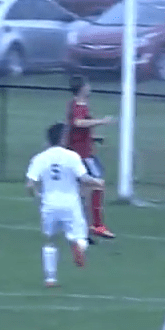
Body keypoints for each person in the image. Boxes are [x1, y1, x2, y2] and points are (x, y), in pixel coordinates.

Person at [26, 122, 104, 287]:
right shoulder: (72, 156)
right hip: (70, 203)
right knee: (81, 236)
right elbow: (84, 178)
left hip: (49, 204)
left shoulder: (40, 158)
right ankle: (79, 248)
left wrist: (37, 196)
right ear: (62, 137)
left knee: (49, 240)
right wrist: (97, 183)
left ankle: (50, 279)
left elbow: (30, 184)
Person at [66, 76, 116, 240]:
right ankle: (96, 225)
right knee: (95, 186)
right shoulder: (78, 105)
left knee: (86, 190)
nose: (89, 87)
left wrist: (94, 138)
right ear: (82, 88)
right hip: (82, 155)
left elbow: (77, 130)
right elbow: (78, 123)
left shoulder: (79, 105)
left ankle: (85, 228)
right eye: (87, 85)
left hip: (84, 152)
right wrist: (101, 121)